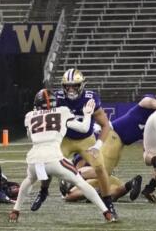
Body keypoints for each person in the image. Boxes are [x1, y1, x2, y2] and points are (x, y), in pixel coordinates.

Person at [8, 88, 115, 223]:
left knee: (29, 179)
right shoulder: (63, 111)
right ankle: (106, 212)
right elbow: (84, 128)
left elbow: (31, 136)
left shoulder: (30, 116)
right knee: (80, 182)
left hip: (34, 161)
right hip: (54, 160)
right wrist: (87, 114)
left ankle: (15, 210)